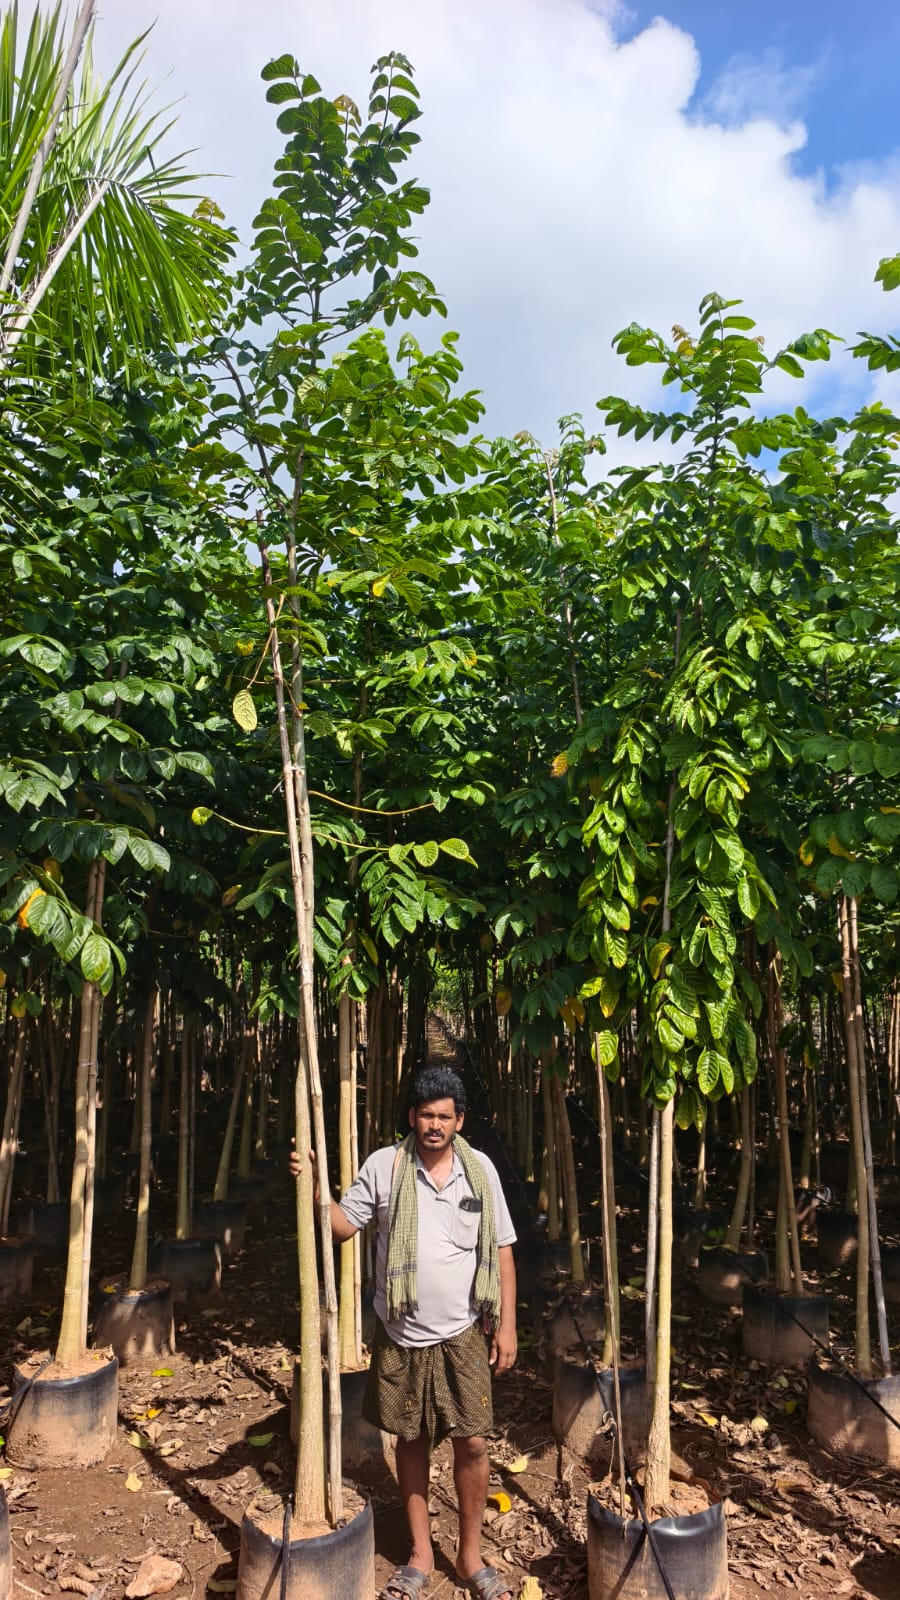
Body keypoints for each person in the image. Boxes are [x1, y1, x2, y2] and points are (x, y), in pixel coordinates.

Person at [291, 1064, 517, 1600]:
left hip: (463, 1331)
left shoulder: (480, 1171)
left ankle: (469, 1556)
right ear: (412, 1116)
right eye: (426, 1115)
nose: (435, 1125)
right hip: (401, 1332)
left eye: (445, 1117)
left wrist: (507, 1324)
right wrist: (315, 1186)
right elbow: (342, 1227)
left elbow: (503, 1248)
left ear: (460, 1121)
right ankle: (420, 1554)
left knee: (473, 1442)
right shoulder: (385, 1166)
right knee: (410, 1439)